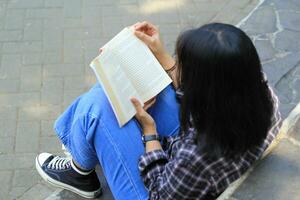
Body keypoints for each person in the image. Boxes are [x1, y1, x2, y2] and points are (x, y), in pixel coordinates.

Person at [35, 21, 281, 200]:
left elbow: (159, 191)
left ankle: (79, 169)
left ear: (204, 86)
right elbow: (199, 97)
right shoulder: (259, 90)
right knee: (118, 88)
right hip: (204, 161)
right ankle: (82, 155)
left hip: (165, 188)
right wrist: (162, 56)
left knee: (96, 109)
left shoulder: (196, 156)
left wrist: (149, 131)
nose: (177, 67)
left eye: (184, 65)